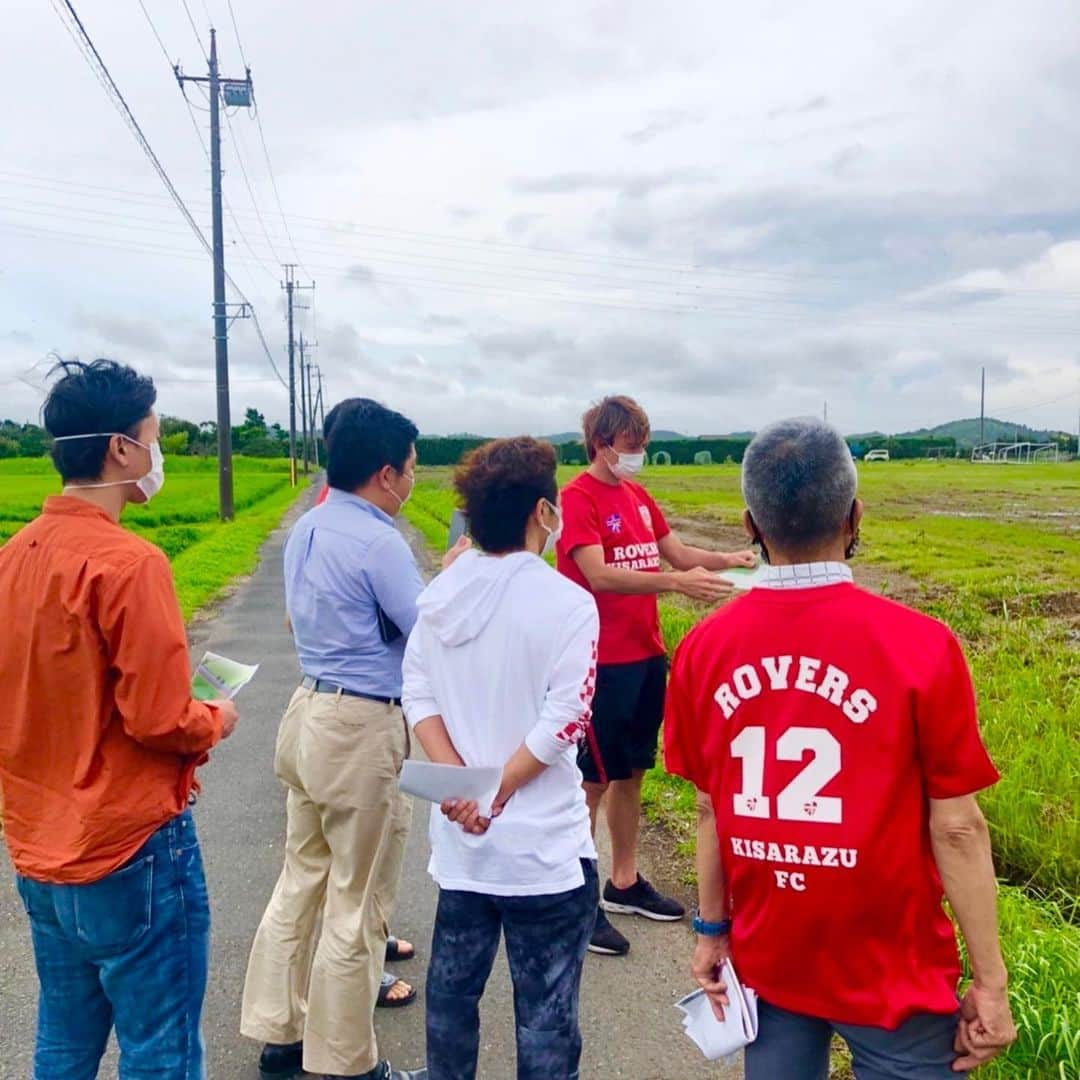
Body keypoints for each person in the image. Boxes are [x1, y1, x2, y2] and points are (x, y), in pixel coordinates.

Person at [664, 417, 1017, 1078]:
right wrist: (990, 982)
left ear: (750, 526)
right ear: (855, 517)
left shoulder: (702, 651)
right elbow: (959, 828)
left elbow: (711, 809)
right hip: (896, 973)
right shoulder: (921, 645)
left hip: (773, 959)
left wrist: (713, 930)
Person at [0, 358, 239, 1079]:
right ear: (120, 449)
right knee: (159, 1048)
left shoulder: (13, 557)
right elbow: (159, 719)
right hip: (129, 844)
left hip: (39, 845)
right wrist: (215, 719)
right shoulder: (131, 563)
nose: (155, 452)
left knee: (65, 1041)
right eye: (153, 437)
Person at [241, 398, 432, 1080]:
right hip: (360, 725)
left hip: (309, 711)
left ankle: (280, 1036)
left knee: (302, 879)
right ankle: (351, 1064)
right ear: (386, 473)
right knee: (358, 899)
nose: (412, 483)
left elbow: (298, 625)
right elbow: (426, 630)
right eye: (410, 470)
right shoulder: (381, 541)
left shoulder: (309, 527)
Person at [402, 436, 600, 1080]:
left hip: (463, 845)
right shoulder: (567, 603)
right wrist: (500, 792)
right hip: (542, 850)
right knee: (545, 1012)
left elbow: (419, 693)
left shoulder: (441, 596)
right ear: (544, 512)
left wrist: (464, 788)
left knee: (452, 998)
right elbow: (563, 720)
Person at [555, 395, 755, 957]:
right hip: (598, 659)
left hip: (644, 654)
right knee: (591, 781)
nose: (639, 454)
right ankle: (579, 902)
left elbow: (674, 550)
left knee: (633, 772)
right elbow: (596, 574)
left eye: (642, 444)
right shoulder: (577, 499)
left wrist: (728, 559)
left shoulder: (637, 495)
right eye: (630, 445)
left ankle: (623, 881)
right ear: (602, 444)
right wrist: (675, 582)